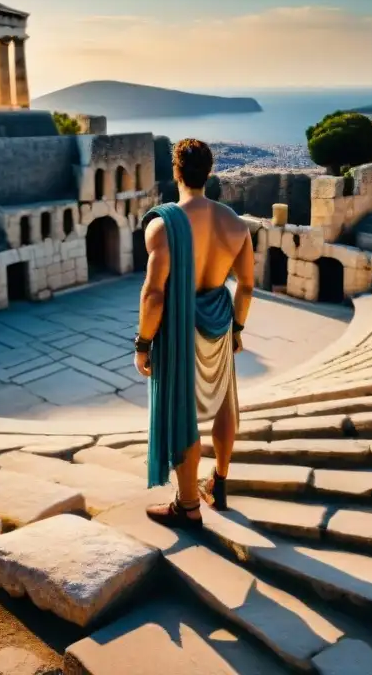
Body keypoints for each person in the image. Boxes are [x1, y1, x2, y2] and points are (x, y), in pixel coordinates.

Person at [134, 138, 254, 529]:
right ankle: (218, 481)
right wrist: (237, 328)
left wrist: (143, 343)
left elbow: (154, 293)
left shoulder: (163, 225)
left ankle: (187, 506)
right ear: (210, 172)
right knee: (224, 403)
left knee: (183, 411)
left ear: (176, 172)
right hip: (220, 318)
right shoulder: (236, 225)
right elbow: (248, 287)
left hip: (179, 326)